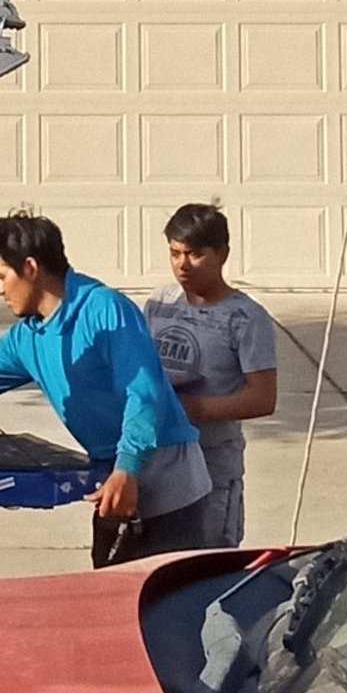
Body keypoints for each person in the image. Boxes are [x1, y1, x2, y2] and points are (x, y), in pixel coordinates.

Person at [0, 213, 216, 564]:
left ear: (30, 268)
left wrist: (128, 468)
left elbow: (144, 393)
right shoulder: (27, 337)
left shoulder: (105, 309)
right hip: (112, 484)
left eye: (2, 276)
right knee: (109, 605)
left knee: (172, 609)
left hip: (167, 485)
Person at [144, 202, 278, 548]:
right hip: (158, 460)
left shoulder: (246, 318)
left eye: (194, 254)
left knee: (205, 561)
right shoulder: (161, 302)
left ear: (222, 254)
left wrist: (196, 409)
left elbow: (262, 398)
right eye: (174, 253)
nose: (182, 265)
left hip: (212, 464)